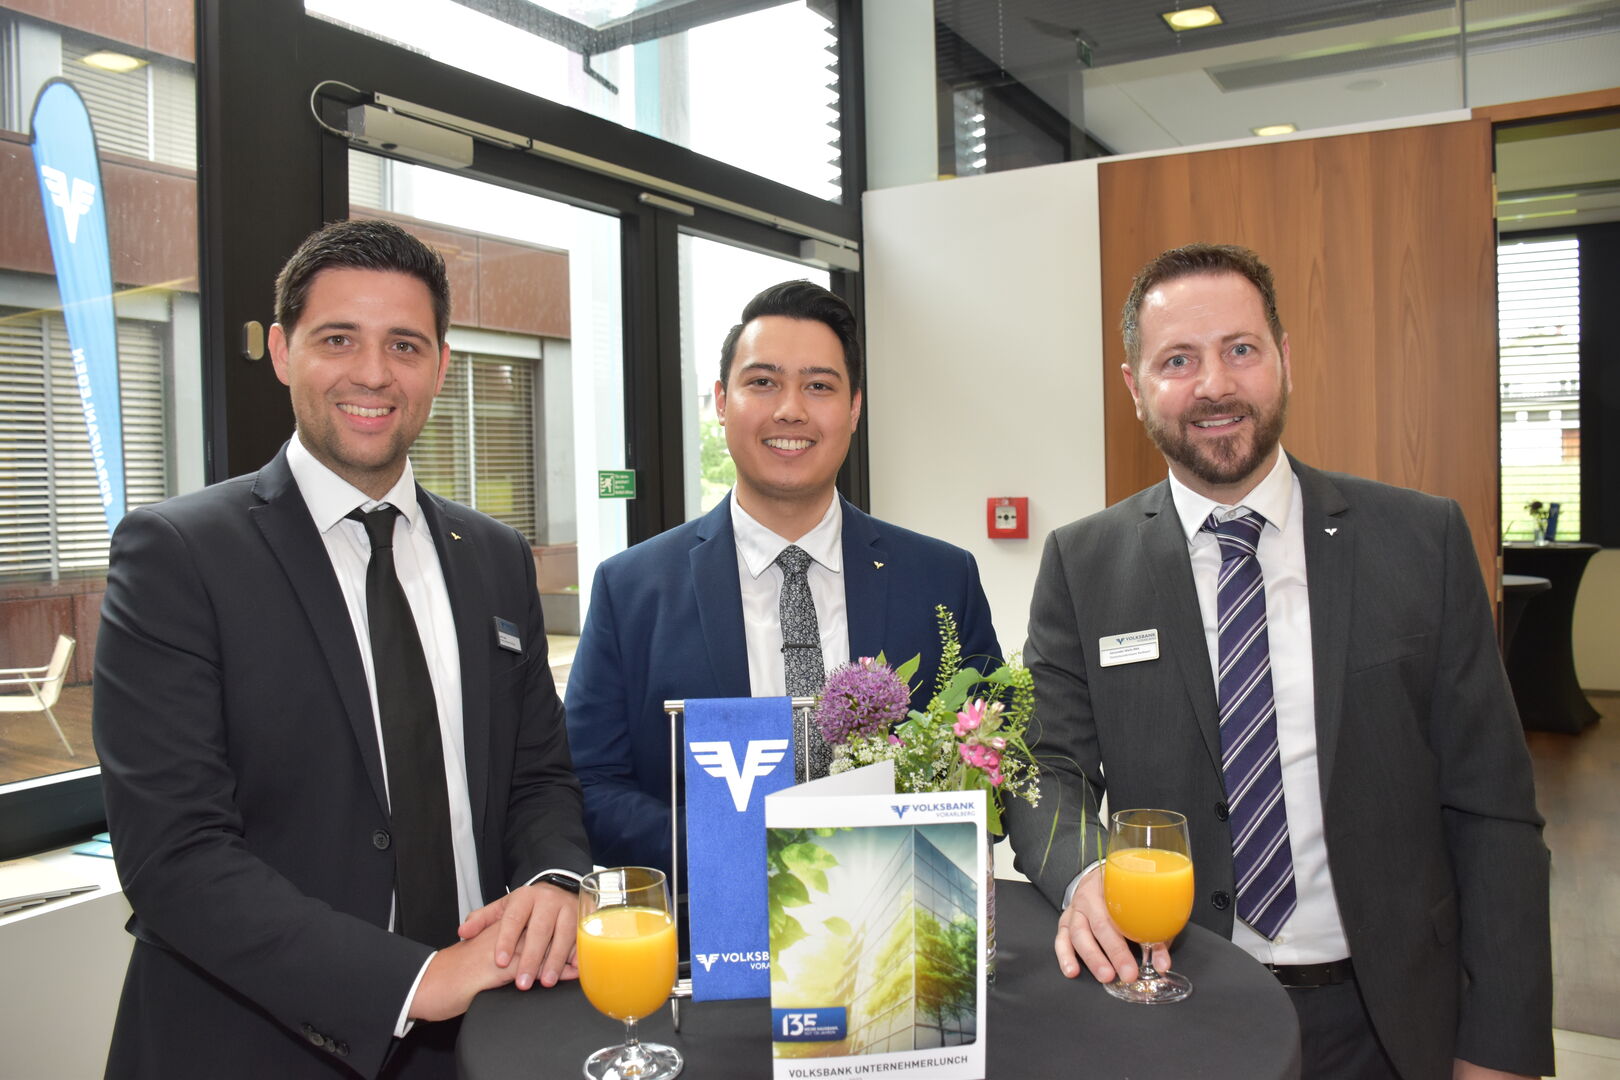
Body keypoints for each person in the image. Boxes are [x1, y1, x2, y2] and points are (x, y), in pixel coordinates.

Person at [1002, 243, 1551, 1080]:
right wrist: (1082, 876)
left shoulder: (1420, 541)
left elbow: (1495, 810)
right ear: (1134, 386)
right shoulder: (1084, 565)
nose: (1215, 385)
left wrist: (1499, 1045)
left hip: (1396, 1017)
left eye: (1241, 350)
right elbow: (1048, 767)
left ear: (1284, 361)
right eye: (1178, 360)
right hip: (1177, 1006)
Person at [93, 219, 591, 1080]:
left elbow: (538, 775)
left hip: (486, 1035)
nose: (372, 373)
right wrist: (415, 980)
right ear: (284, 352)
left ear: (440, 365)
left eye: (404, 344)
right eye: (338, 340)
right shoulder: (177, 554)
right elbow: (174, 855)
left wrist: (555, 880)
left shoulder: (496, 556)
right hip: (257, 1042)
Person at [565, 280, 998, 871]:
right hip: (702, 940)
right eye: (762, 382)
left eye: (818, 386)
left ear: (854, 408)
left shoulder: (943, 580)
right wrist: (743, 851)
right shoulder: (632, 590)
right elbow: (590, 783)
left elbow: (991, 764)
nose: (790, 408)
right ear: (721, 401)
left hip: (901, 930)